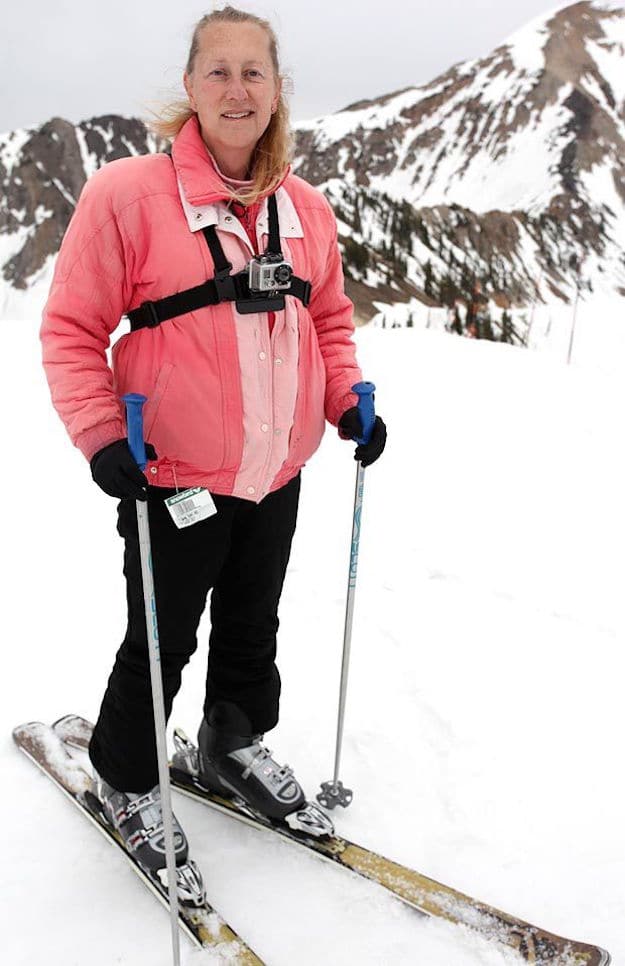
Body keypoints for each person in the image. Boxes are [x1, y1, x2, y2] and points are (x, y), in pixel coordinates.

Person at [40, 5, 387, 898]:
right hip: (172, 473)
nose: (238, 89)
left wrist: (345, 397)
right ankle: (125, 777)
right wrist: (101, 435)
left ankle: (231, 741)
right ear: (190, 88)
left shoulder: (305, 208)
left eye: (254, 73)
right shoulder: (128, 195)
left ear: (277, 92)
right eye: (219, 71)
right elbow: (73, 327)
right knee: (160, 639)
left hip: (275, 467)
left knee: (251, 621)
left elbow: (329, 320)